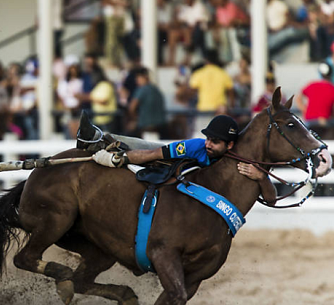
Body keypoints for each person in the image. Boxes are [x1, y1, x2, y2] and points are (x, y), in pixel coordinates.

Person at [77, 113, 276, 201]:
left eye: (214, 142)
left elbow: (271, 199)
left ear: (230, 145)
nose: (208, 143)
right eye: (208, 138)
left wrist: (261, 177)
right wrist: (119, 160)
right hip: (177, 158)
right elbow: (152, 154)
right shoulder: (198, 146)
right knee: (144, 147)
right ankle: (97, 137)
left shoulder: (239, 160)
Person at [127, 67, 167, 138]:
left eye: (138, 77)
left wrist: (135, 119)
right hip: (161, 126)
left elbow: (132, 107)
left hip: (145, 126)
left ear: (144, 77)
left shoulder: (141, 90)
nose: (136, 80)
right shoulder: (156, 89)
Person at [295, 61, 334, 127]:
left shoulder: (312, 85)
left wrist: (304, 109)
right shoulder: (332, 88)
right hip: (325, 122)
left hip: (310, 122)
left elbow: (298, 98)